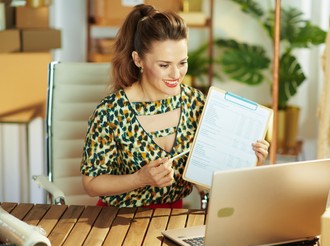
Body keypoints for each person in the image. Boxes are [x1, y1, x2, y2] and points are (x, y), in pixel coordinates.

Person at [80, 4, 270, 208]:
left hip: (173, 218)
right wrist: (140, 178)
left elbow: (204, 180)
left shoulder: (195, 103)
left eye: (182, 63)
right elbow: (91, 184)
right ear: (138, 60)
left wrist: (248, 161)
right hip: (114, 220)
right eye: (164, 65)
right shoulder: (110, 112)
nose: (176, 74)